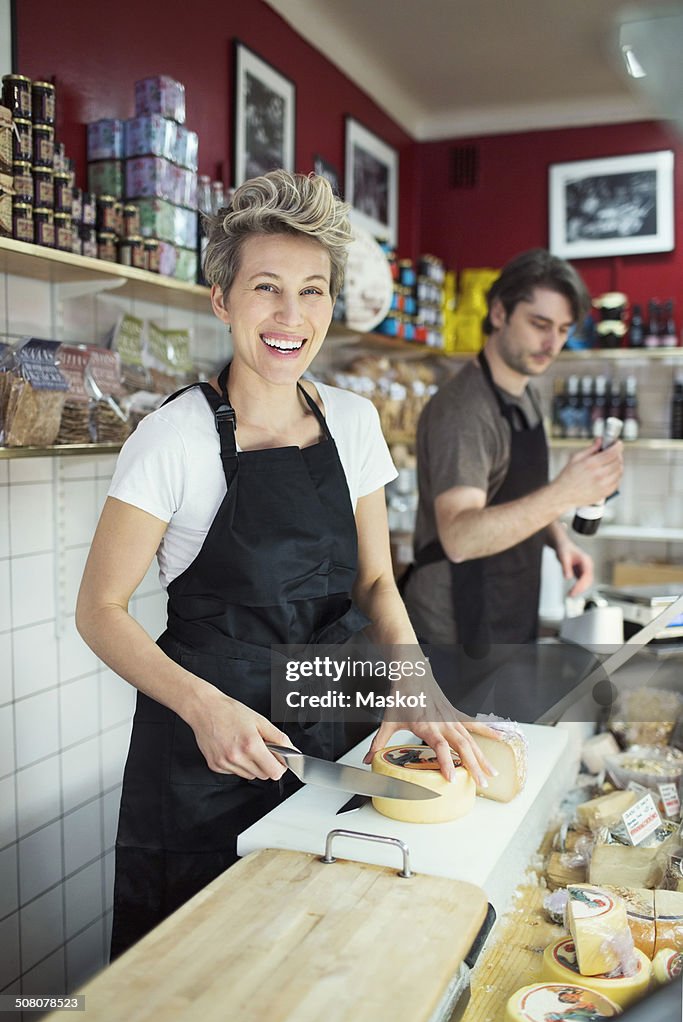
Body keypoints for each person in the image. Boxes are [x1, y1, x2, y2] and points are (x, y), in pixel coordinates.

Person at [76, 170, 497, 958]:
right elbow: (99, 609)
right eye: (266, 287)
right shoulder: (173, 438)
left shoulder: (354, 420)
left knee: (323, 945)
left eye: (312, 291)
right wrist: (203, 709)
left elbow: (375, 581)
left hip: (333, 715)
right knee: (196, 961)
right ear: (221, 299)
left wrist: (422, 692)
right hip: (208, 742)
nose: (289, 316)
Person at [403, 248, 624, 653]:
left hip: (508, 614)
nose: (551, 342)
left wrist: (560, 542)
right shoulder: (464, 410)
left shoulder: (524, 391)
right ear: (500, 313)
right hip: (454, 634)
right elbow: (460, 537)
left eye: (562, 329)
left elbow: (519, 495)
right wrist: (565, 493)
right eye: (540, 324)